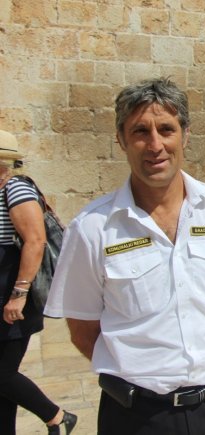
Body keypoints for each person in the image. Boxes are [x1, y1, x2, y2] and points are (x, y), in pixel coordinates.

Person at [44, 78, 205, 434]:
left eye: (166, 129)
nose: (155, 145)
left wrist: (203, 359)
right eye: (140, 131)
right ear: (121, 140)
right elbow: (83, 329)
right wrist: (142, 371)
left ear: (185, 135)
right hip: (137, 416)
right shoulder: (92, 228)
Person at [0, 130, 77, 435]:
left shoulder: (16, 188)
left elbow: (35, 240)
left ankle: (57, 416)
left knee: (3, 374)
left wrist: (18, 294)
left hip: (12, 295)